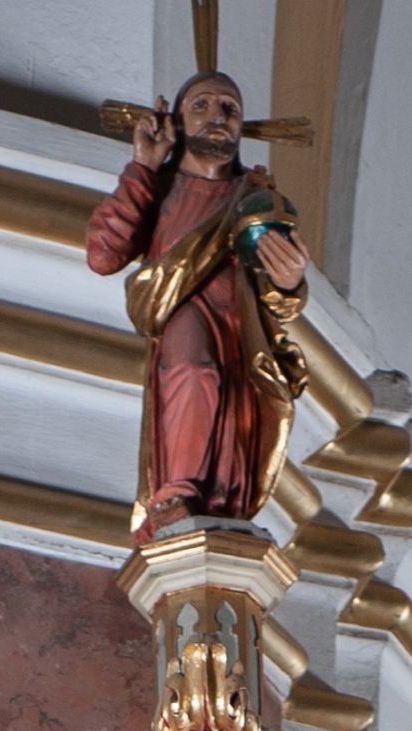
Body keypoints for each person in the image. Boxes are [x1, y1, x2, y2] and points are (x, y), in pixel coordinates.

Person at [86, 72, 309, 531]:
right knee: (191, 368)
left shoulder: (256, 198)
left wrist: (288, 282)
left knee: (234, 421)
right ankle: (177, 492)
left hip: (241, 331)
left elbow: (275, 296)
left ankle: (219, 504)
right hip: (184, 311)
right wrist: (142, 167)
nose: (217, 116)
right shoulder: (160, 189)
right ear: (178, 121)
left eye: (230, 107)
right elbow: (104, 255)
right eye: (201, 105)